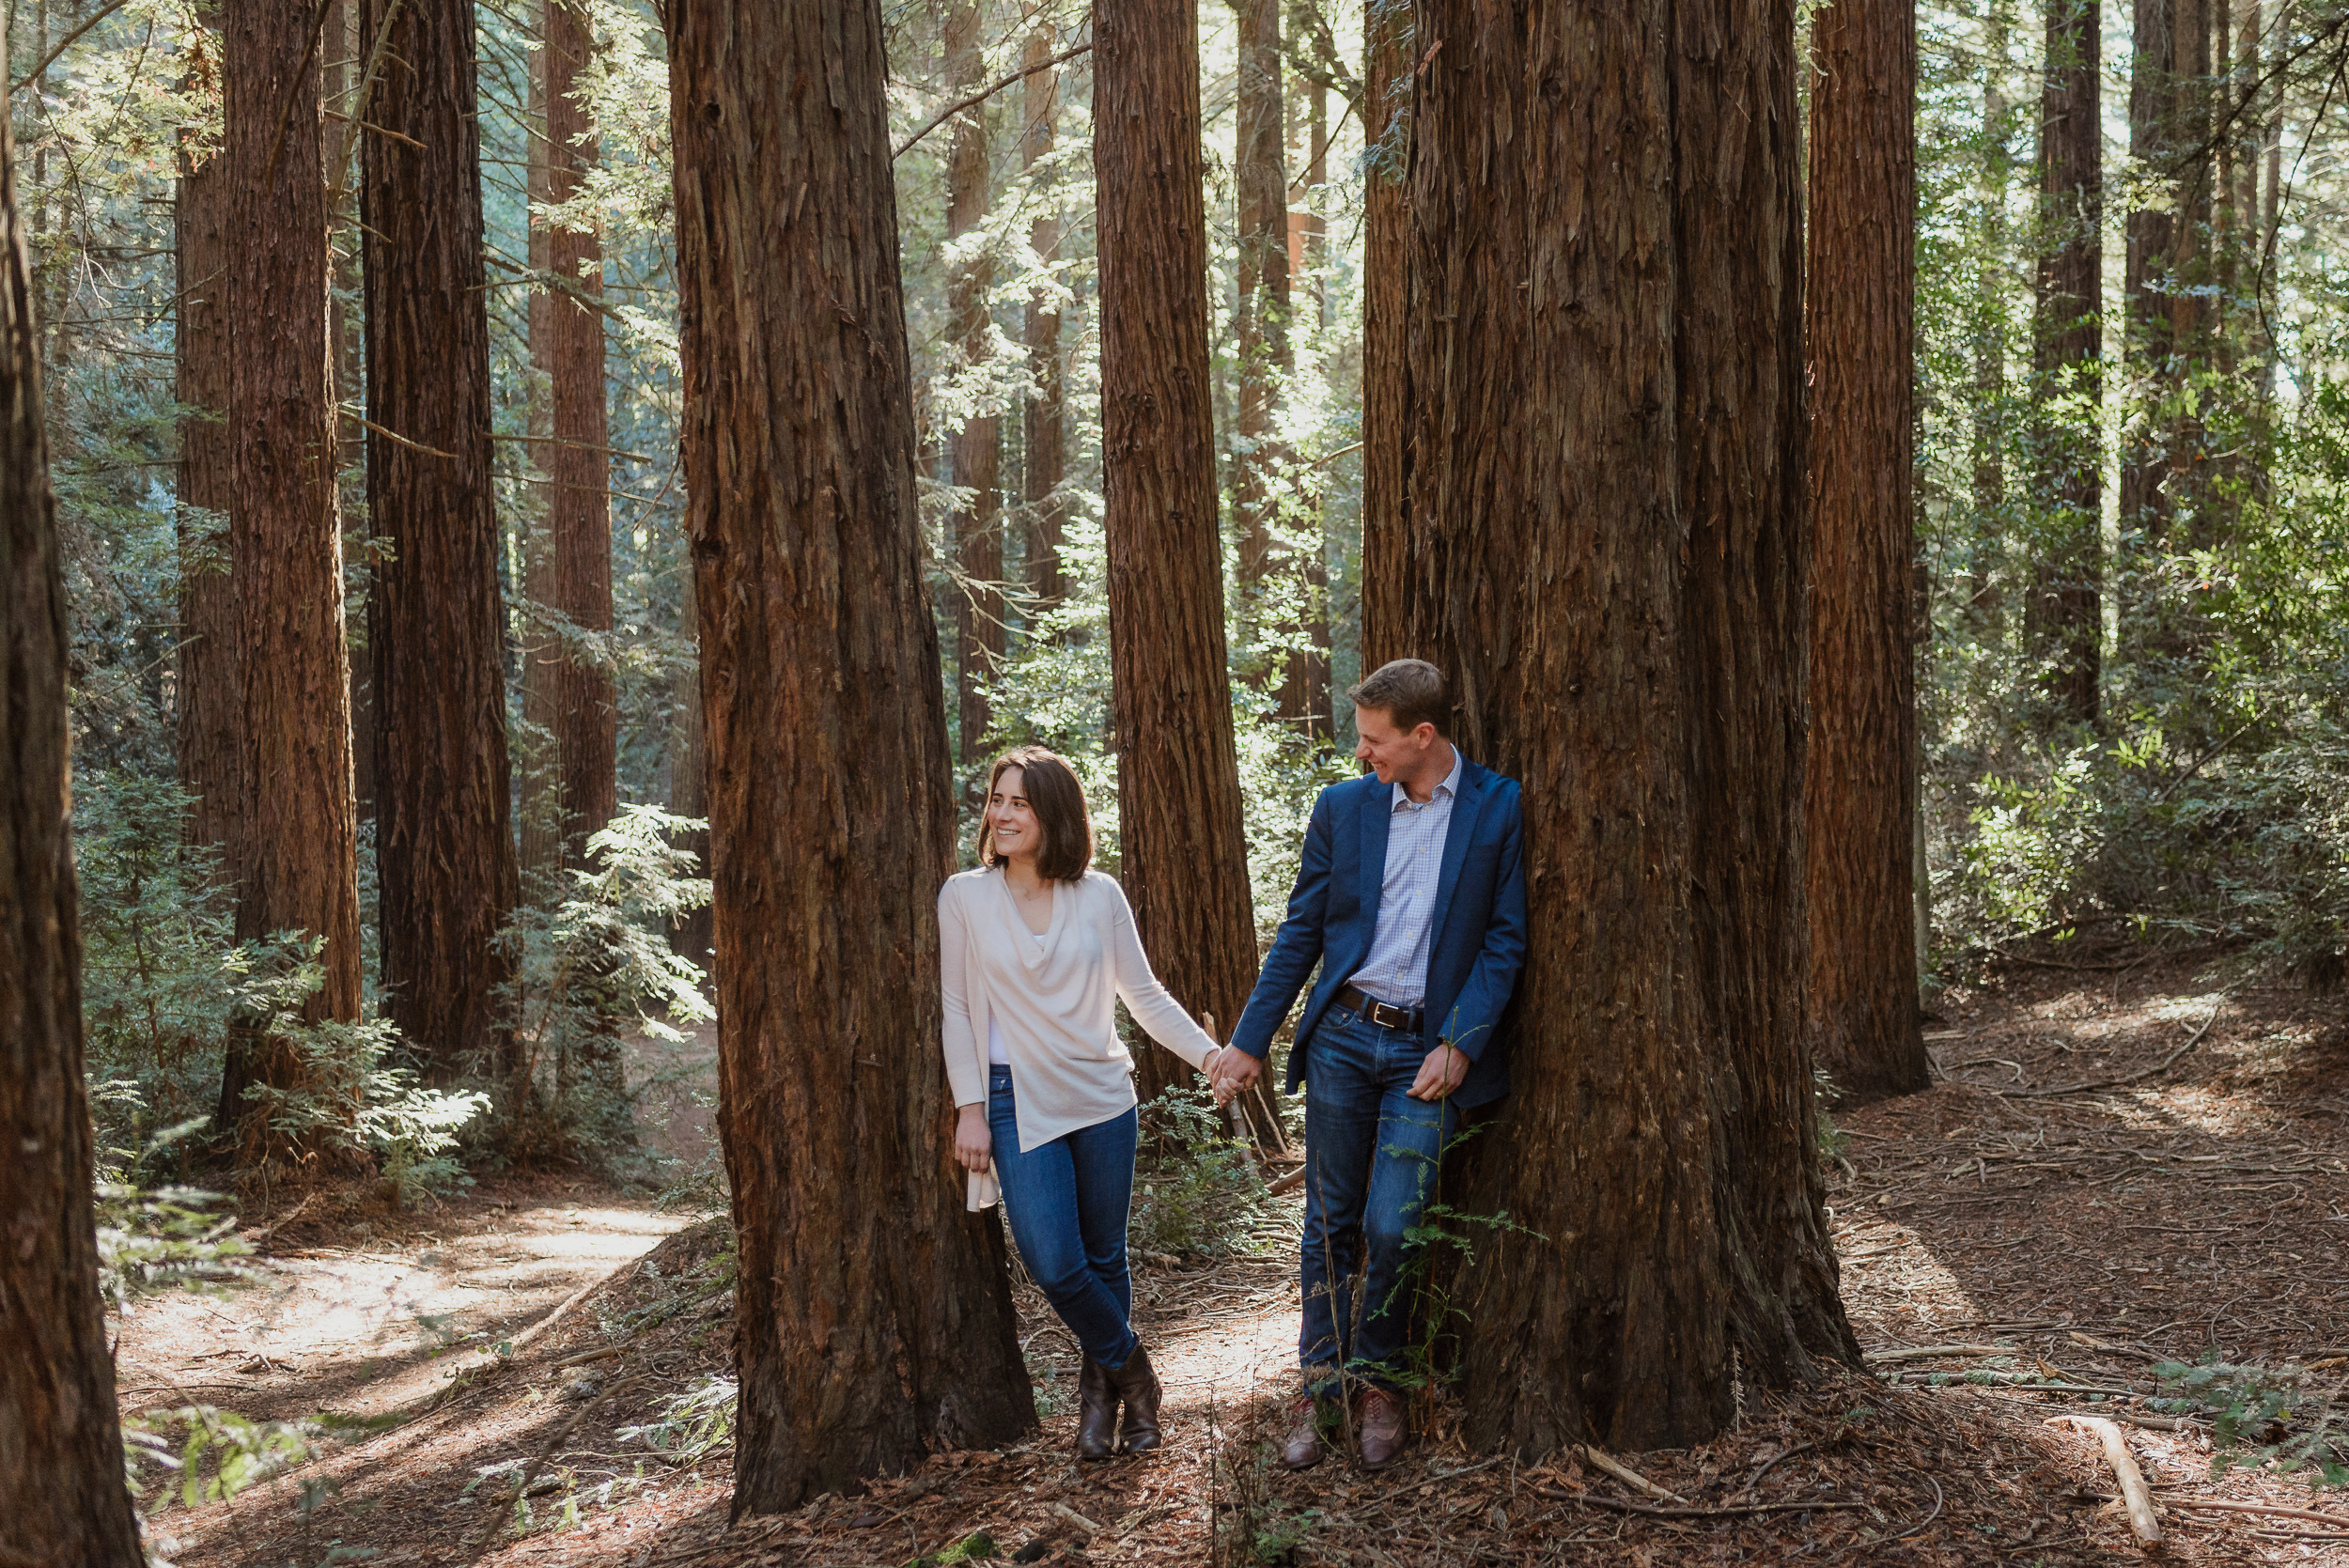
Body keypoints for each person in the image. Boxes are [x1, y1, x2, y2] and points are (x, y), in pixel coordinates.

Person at [1210, 659, 1527, 1472]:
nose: (1362, 754)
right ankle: (1320, 1386)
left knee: (1395, 1222)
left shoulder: (1497, 807)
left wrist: (1461, 1041)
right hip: (1347, 1038)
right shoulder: (1344, 809)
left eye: (1374, 739)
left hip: (1430, 1053)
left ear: (1423, 735)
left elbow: (1504, 938)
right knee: (1329, 1224)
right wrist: (1249, 1040)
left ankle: (1381, 1382)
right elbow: (1301, 932)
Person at [939, 745, 1228, 1461]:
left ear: (1054, 814)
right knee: (1055, 1259)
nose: (1001, 814)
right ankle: (1136, 1373)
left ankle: (1100, 1403)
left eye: (1019, 802)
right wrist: (969, 1106)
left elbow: (1146, 994)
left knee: (1104, 1256)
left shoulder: (1098, 895)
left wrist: (1210, 1055)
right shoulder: (965, 896)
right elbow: (953, 1007)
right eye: (997, 799)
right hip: (1012, 1096)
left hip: (1101, 1093)